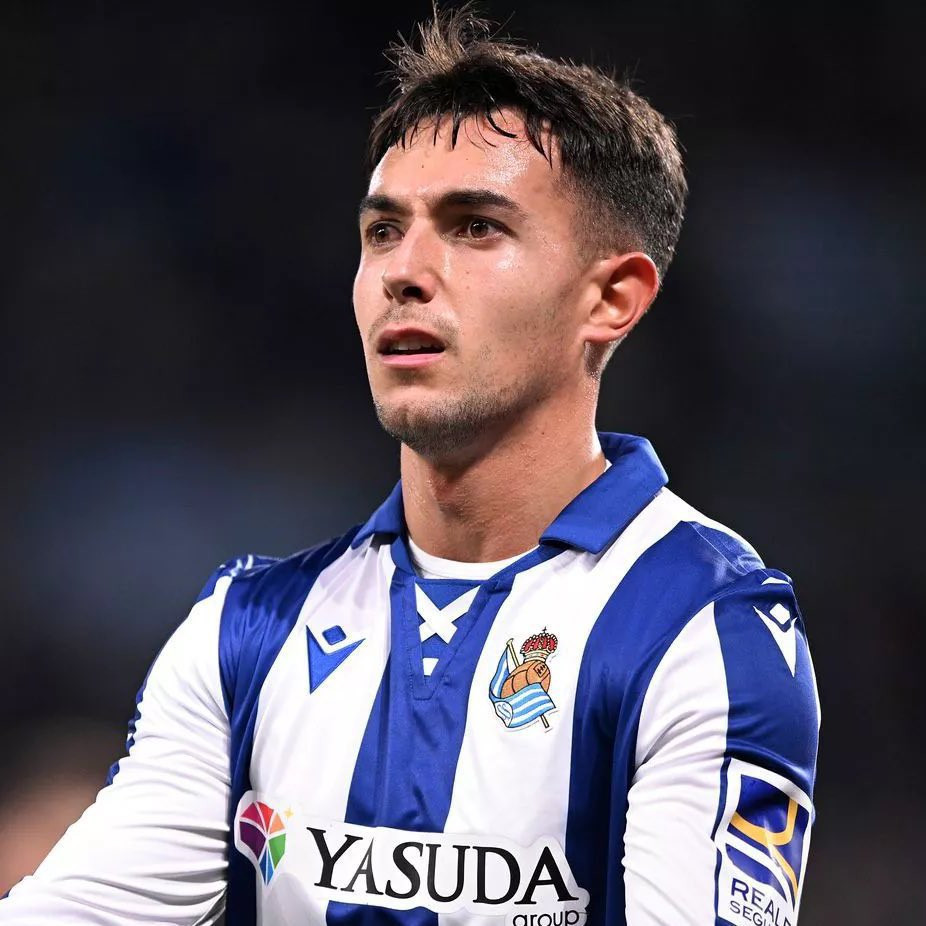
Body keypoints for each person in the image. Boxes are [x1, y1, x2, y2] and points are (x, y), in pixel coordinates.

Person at [0, 5, 820, 925]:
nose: (404, 271)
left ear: (612, 298)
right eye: (384, 231)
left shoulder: (702, 629)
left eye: (475, 227)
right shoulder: (247, 633)